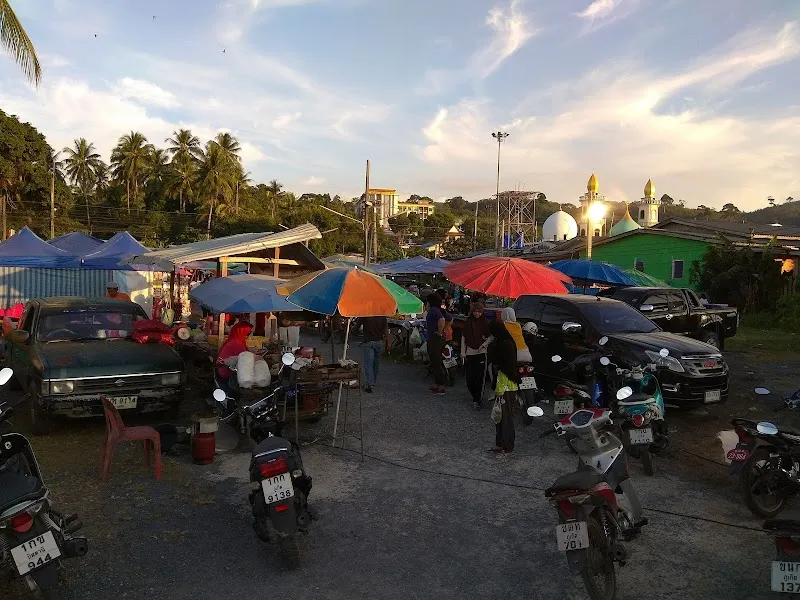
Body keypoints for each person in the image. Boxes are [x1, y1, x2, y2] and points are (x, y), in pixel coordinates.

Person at [488, 319, 520, 456]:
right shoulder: (504, 341)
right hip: (504, 385)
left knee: (506, 417)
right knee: (500, 417)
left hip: (507, 386)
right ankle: (500, 443)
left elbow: (506, 368)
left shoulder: (505, 344)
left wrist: (499, 389)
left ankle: (507, 446)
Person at [461, 301, 489, 410]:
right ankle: (475, 397)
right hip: (470, 352)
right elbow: (463, 338)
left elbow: (490, 336)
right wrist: (463, 353)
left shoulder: (485, 323)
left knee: (480, 378)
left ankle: (477, 400)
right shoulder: (468, 322)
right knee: (469, 379)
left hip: (481, 353)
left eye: (479, 312)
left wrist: (484, 344)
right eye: (475, 311)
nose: (477, 314)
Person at [215, 320, 253, 398]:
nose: (247, 336)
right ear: (241, 332)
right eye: (247, 333)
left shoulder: (235, 339)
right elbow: (245, 356)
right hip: (225, 371)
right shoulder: (236, 342)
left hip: (222, 368)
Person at [425, 293, 447, 395]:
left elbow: (442, 320)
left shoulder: (434, 310)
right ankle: (437, 383)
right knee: (434, 361)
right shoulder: (437, 310)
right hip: (433, 338)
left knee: (436, 361)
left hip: (435, 339)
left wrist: (439, 332)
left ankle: (441, 385)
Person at [360, 316, 389, 393]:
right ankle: (373, 382)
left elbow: (356, 326)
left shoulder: (365, 315)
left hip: (368, 342)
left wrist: (351, 329)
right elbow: (386, 329)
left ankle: (370, 383)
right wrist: (388, 341)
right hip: (379, 342)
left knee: (369, 363)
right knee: (376, 363)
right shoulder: (382, 316)